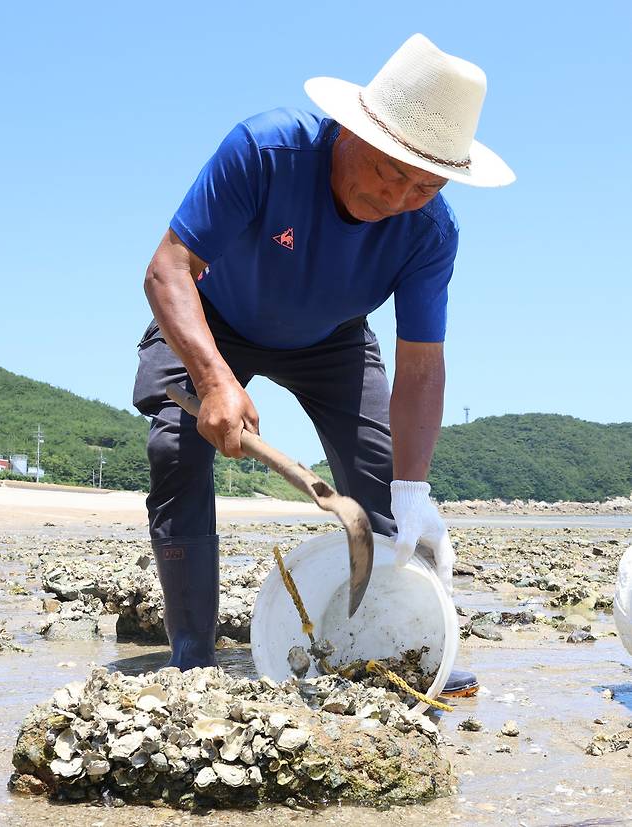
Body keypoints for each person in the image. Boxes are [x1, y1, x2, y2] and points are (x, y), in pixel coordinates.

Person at [133, 33, 515, 693]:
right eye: (392, 170)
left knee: (387, 486)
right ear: (353, 130)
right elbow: (168, 268)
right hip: (213, 317)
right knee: (177, 445)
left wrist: (414, 491)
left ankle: (406, 644)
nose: (399, 196)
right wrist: (215, 378)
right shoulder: (265, 151)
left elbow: (422, 367)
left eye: (426, 185)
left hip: (332, 340)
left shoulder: (431, 232)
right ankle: (192, 654)